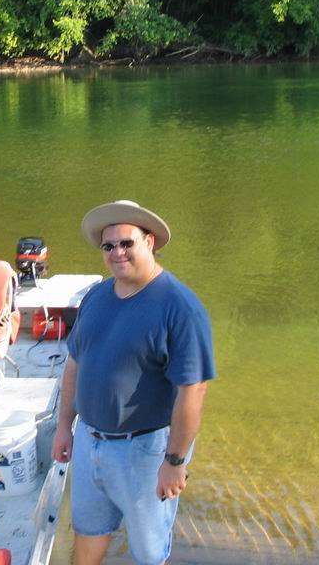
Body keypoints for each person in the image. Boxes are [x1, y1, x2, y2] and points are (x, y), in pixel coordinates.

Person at [51, 201, 216, 565]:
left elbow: (193, 390)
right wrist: (64, 426)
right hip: (89, 440)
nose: (117, 252)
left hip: (145, 452)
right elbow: (75, 363)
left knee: (148, 554)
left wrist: (174, 461)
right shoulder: (96, 296)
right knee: (87, 534)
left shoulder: (180, 308)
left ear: (149, 241)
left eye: (127, 243)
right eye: (108, 246)